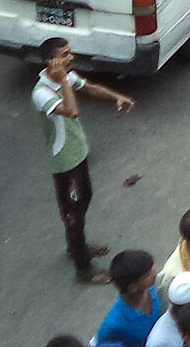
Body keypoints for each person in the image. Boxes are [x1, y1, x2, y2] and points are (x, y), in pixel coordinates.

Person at [32, 36, 135, 285]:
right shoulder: (41, 92)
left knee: (85, 197)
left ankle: (74, 244)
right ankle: (83, 269)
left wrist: (115, 97)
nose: (71, 58)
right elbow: (71, 110)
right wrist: (63, 81)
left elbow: (88, 87)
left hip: (78, 151)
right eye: (65, 54)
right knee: (73, 214)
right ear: (50, 61)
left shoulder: (66, 77)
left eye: (70, 53)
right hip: (64, 160)